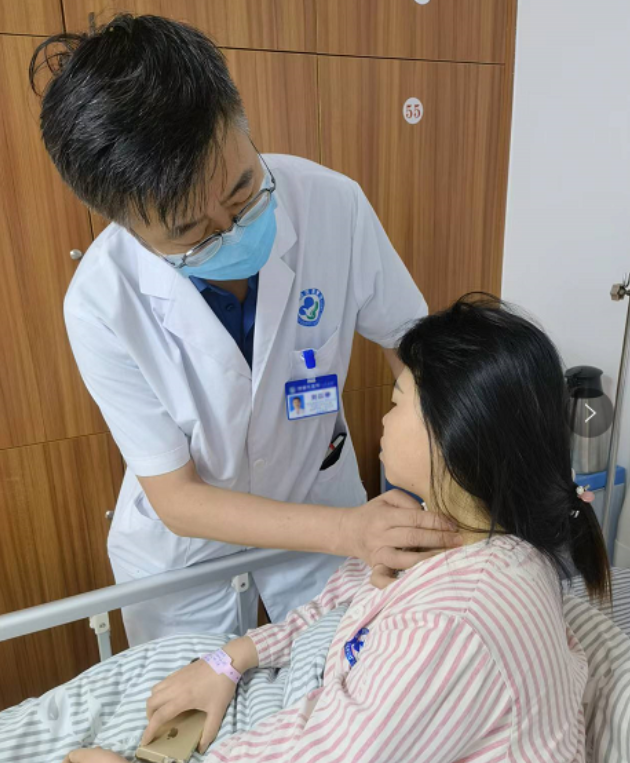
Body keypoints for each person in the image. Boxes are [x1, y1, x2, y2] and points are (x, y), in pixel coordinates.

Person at [28, 14, 448, 646]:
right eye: (190, 232)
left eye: (243, 191)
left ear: (241, 122)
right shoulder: (100, 301)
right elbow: (178, 498)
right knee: (199, 695)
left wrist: (454, 479)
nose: (232, 231)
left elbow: (414, 349)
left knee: (343, 676)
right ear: (125, 225)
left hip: (320, 514)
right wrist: (351, 531)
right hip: (189, 561)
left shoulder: (333, 204)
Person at [51, 293, 610, 763]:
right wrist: (229, 659)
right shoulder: (449, 531)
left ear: (451, 436)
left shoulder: (453, 620)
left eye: (396, 402)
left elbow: (330, 751)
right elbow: (336, 608)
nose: (383, 419)